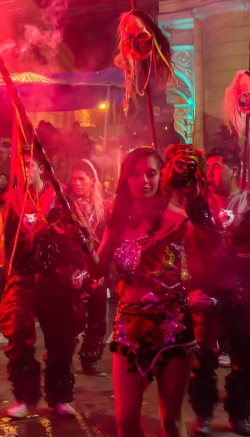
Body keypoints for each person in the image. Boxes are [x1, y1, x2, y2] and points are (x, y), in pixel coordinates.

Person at [85, 146, 202, 437]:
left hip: (173, 327)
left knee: (171, 421)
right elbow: (97, 269)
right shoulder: (118, 220)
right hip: (129, 328)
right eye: (136, 175)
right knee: (125, 421)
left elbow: (199, 270)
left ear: (161, 176)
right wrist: (84, 244)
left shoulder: (179, 219)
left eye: (151, 173)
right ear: (125, 178)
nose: (144, 181)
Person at [188, 147, 250, 436]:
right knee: (202, 357)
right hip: (208, 288)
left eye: (215, 167)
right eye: (208, 168)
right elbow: (189, 247)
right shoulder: (198, 204)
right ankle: (202, 416)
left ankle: (239, 416)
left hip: (244, 291)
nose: (209, 173)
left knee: (244, 359)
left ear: (233, 171)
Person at [0, 148, 84, 419]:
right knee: (18, 334)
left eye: (29, 165)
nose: (24, 170)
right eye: (20, 166)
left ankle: (59, 397)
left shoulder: (59, 198)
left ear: (40, 169)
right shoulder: (11, 200)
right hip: (22, 275)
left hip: (53, 276)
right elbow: (4, 240)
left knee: (60, 339)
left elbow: (73, 238)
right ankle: (25, 396)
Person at [69, 159, 112, 376]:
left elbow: (110, 239)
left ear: (93, 180)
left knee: (98, 317)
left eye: (81, 179)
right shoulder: (67, 206)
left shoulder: (105, 207)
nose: (76, 183)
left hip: (97, 269)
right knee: (72, 317)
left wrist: (103, 269)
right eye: (74, 179)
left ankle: (90, 359)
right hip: (74, 270)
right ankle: (62, 355)